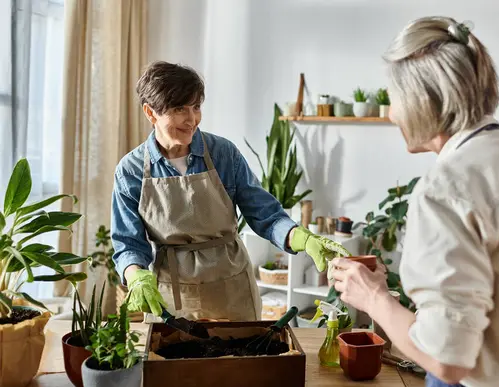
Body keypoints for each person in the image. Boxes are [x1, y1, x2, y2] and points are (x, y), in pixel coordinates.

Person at [331, 16, 499, 387]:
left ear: (422, 100)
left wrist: (373, 297)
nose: (390, 114)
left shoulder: (446, 189)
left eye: (394, 98)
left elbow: (449, 360)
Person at [111, 61, 349, 322]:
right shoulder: (131, 170)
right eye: (179, 109)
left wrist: (303, 238)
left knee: (240, 361)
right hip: (171, 296)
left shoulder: (223, 154)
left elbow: (266, 216)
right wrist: (134, 274)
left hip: (232, 290)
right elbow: (128, 243)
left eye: (196, 107)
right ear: (150, 112)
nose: (191, 120)